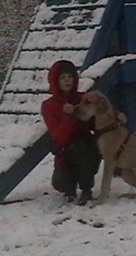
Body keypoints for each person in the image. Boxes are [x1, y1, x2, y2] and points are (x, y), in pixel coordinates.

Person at [41, 60, 101, 205]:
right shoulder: (49, 106)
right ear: (56, 81)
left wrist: (116, 118)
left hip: (86, 148)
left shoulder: (83, 98)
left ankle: (86, 189)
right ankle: (70, 188)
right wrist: (69, 116)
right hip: (65, 151)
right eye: (62, 77)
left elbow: (98, 121)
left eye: (70, 76)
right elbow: (59, 138)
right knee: (60, 182)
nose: (67, 80)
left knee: (82, 151)